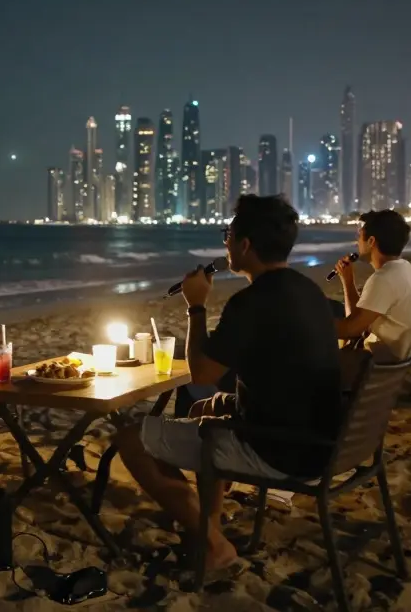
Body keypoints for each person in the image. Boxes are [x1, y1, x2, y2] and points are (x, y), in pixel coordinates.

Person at [114, 195, 342, 573]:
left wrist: (196, 305)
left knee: (130, 439)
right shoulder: (309, 290)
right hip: (323, 442)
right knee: (207, 409)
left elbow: (201, 373)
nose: (225, 243)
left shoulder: (252, 302)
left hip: (280, 451)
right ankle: (211, 521)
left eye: (228, 235)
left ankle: (215, 546)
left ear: (245, 244)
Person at [334, 210, 411, 363]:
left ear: (371, 241)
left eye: (359, 236)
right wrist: (348, 281)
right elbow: (357, 320)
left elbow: (351, 329)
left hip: (401, 373)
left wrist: (310, 325)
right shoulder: (407, 270)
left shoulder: (384, 278)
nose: (357, 241)